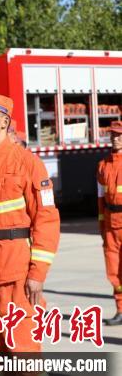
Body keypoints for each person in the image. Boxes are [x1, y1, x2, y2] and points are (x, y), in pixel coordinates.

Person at [0, 94, 60, 374]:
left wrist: (37, 273)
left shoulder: (28, 164)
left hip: (16, 272)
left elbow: (47, 220)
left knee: (23, 351)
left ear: (4, 122)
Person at [98, 121, 122, 325]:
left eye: (120, 135)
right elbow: (100, 199)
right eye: (113, 135)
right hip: (110, 224)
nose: (116, 138)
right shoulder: (103, 165)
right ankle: (121, 309)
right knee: (113, 270)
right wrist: (102, 224)